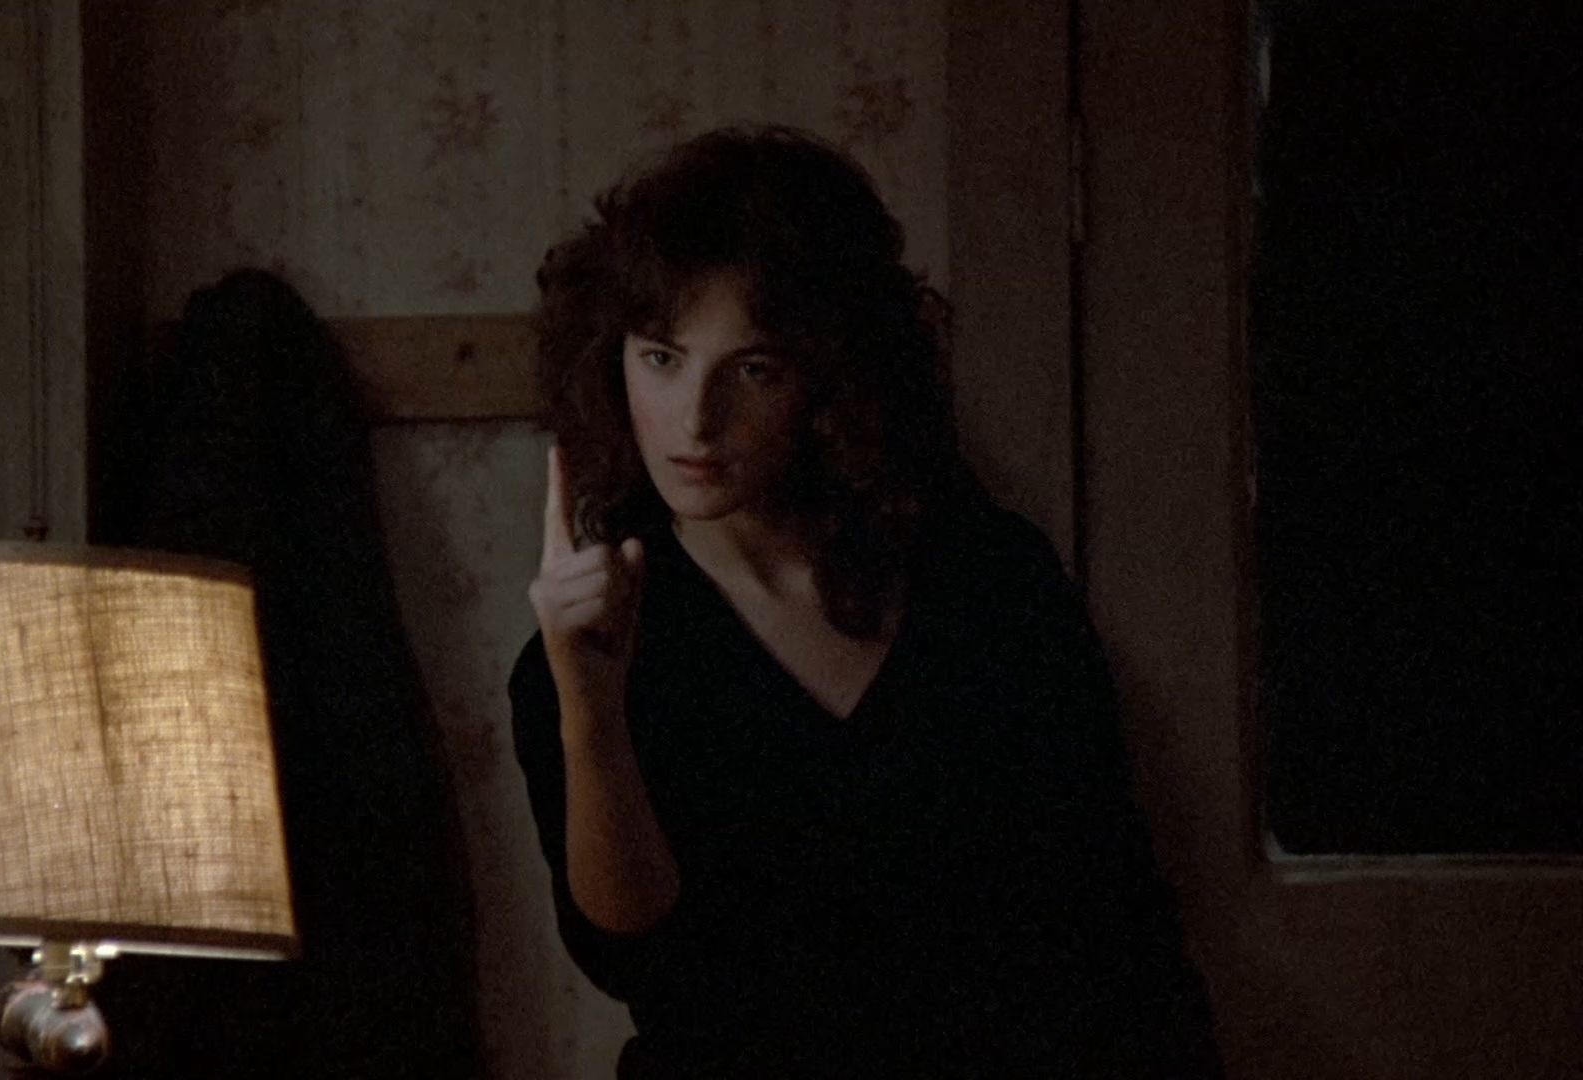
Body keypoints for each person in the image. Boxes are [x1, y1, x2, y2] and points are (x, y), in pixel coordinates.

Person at [508, 125, 1222, 1079]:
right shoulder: (593, 639)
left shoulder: (986, 580)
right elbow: (631, 960)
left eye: (754, 368)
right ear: (615, 360)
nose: (696, 421)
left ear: (829, 378)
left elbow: (1117, 922)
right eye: (663, 358)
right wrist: (591, 713)